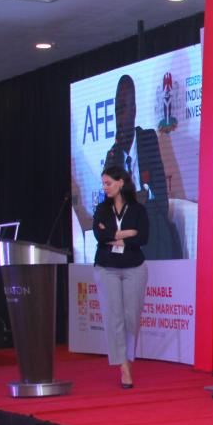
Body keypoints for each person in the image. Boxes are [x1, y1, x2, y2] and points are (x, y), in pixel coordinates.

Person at [104, 74, 181, 260]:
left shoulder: (147, 140)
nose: (119, 118)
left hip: (151, 223)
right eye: (116, 111)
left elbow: (160, 196)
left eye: (123, 109)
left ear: (134, 111)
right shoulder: (112, 157)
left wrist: (139, 200)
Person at [91, 166, 150, 388]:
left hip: (134, 266)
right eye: (103, 184)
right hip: (106, 267)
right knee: (113, 317)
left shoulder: (138, 209)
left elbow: (143, 237)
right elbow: (100, 235)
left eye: (108, 183)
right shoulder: (101, 209)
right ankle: (123, 366)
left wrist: (116, 236)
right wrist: (128, 233)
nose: (105, 188)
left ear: (121, 182)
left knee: (131, 316)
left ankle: (128, 357)